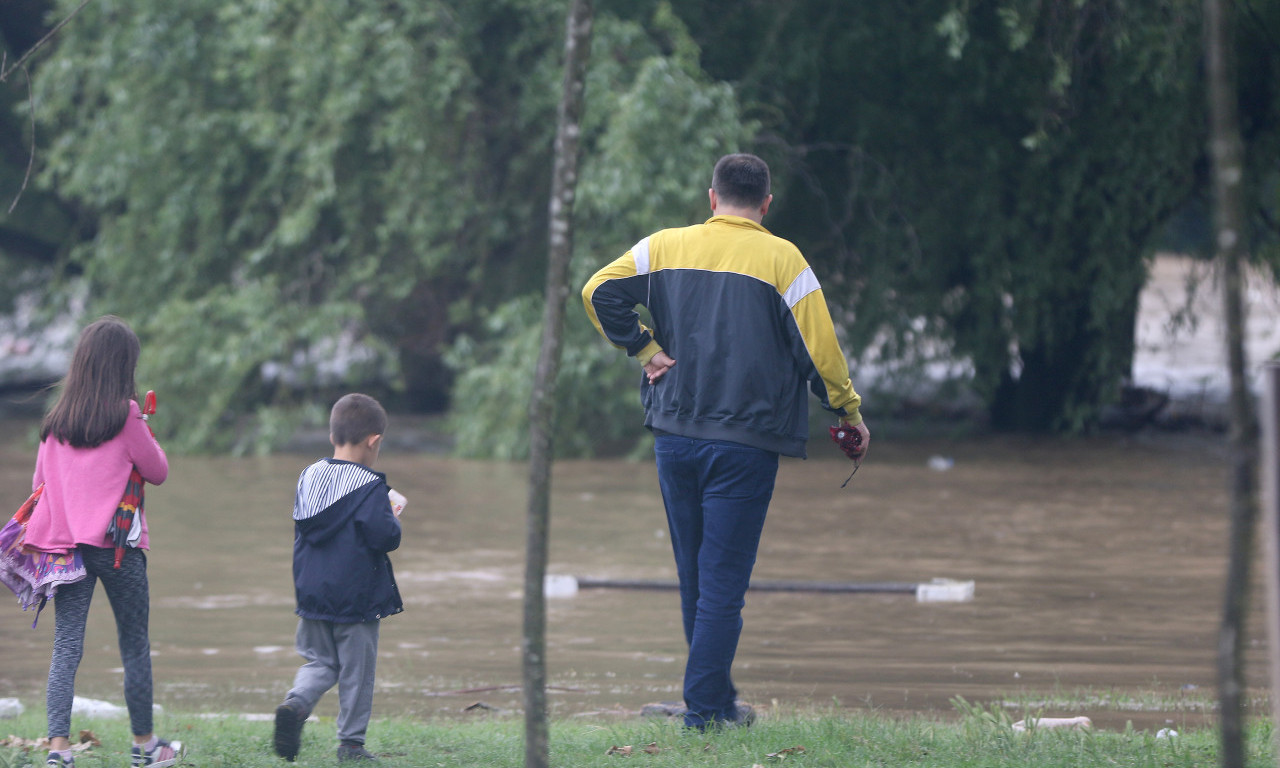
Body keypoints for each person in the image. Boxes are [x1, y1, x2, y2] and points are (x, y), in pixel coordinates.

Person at [581, 153, 869, 730]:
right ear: (765, 205)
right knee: (723, 584)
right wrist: (847, 411)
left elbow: (596, 290)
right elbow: (821, 351)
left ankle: (711, 700)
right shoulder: (783, 259)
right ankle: (706, 711)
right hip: (745, 442)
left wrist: (643, 349)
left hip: (674, 435)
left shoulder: (663, 246)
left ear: (711, 199)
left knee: (696, 575)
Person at [26, 316, 179, 768]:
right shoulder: (128, 416)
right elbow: (158, 471)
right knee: (133, 642)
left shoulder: (55, 422)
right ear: (123, 367)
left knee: (66, 646)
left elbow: (40, 485)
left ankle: (58, 750)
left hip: (66, 550)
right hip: (117, 550)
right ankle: (145, 747)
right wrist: (145, 430)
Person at [273, 393, 403, 763]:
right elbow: (385, 537)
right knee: (357, 673)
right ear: (373, 441)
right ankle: (351, 744)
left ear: (333, 436)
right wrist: (393, 516)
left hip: (311, 593)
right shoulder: (370, 487)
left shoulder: (309, 475)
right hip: (356, 598)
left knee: (319, 662)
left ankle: (297, 705)